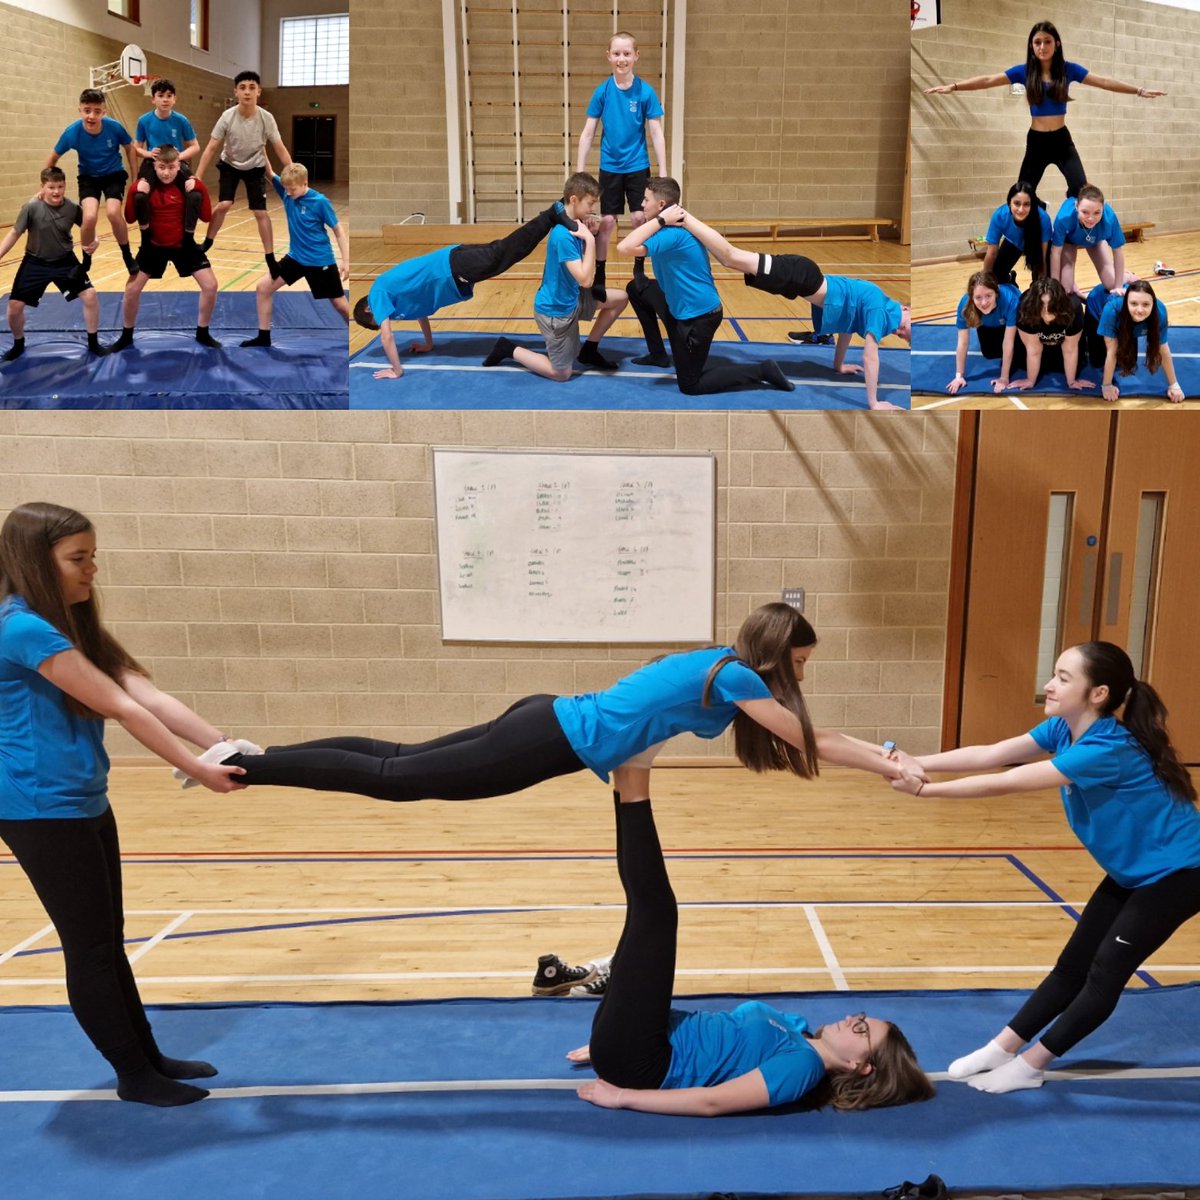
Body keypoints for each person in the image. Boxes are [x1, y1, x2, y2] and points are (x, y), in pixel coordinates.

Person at [177, 603, 929, 803]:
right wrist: (888, 764)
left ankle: (254, 754)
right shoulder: (736, 678)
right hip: (551, 738)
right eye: (798, 663)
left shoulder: (723, 668)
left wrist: (886, 757)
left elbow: (810, 732)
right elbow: (813, 739)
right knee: (396, 780)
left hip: (548, 717)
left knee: (400, 763)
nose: (800, 676)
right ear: (775, 654)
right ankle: (252, 765)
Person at [0, 502, 248, 1106]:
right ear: (37, 563)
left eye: (91, 556)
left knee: (108, 939)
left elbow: (147, 695)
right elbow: (123, 709)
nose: (92, 571)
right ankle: (134, 1076)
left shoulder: (69, 623)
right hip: (38, 807)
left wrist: (223, 744)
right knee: (88, 948)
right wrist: (194, 767)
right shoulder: (21, 628)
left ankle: (147, 1055)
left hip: (80, 798)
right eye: (77, 560)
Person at [892, 642, 1200, 1094]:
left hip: (1180, 875)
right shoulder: (1062, 729)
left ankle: (1032, 1065)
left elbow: (1010, 781)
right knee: (1071, 965)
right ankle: (1001, 1047)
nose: (1048, 685)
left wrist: (926, 793)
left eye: (1062, 677)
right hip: (1133, 873)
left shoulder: (1105, 749)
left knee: (1106, 970)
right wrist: (920, 762)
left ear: (1098, 694)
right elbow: (993, 753)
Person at [569, 787, 934, 1115]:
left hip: (645, 1061)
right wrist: (625, 1024)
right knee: (646, 911)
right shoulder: (797, 1030)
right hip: (640, 1038)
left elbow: (712, 1102)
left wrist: (621, 1096)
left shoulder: (802, 1069)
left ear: (860, 1066)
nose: (852, 1017)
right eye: (861, 1016)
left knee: (656, 913)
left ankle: (631, 777)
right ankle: (627, 777)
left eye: (861, 1029)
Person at [647, 207, 910, 410]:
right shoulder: (880, 308)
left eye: (903, 336)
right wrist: (875, 402)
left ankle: (683, 216)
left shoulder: (880, 307)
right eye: (907, 330)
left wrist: (839, 366)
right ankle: (682, 214)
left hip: (801, 281)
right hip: (801, 276)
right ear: (906, 309)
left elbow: (846, 328)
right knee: (729, 256)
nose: (901, 333)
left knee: (730, 258)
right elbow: (870, 356)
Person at [923, 21, 1164, 199]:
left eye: (1047, 41)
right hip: (1036, 142)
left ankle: (1071, 234)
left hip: (1062, 141)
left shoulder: (1069, 70)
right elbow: (987, 80)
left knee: (1081, 190)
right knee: (1021, 194)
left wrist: (1139, 90)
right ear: (1031, 46)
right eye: (1037, 42)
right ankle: (1032, 231)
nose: (1042, 46)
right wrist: (953, 87)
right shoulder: (1024, 71)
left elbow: (1104, 82)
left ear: (1056, 44)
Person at [352, 200, 580, 380]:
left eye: (380, 319)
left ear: (369, 310)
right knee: (505, 254)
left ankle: (551, 214)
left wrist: (397, 370)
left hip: (452, 266)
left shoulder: (377, 294)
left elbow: (387, 336)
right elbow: (421, 312)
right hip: (455, 271)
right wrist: (428, 344)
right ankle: (553, 214)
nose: (386, 319)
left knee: (505, 254)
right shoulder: (396, 301)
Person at [616, 178, 795, 395]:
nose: (642, 204)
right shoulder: (662, 228)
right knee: (637, 289)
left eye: (646, 200)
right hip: (677, 306)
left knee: (690, 385)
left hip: (699, 318)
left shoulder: (670, 233)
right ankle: (658, 354)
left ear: (661, 206)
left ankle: (762, 370)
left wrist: (660, 221)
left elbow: (624, 247)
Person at [482, 173, 629, 381]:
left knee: (620, 298)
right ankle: (509, 349)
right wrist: (591, 241)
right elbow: (585, 280)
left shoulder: (576, 225)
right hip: (556, 313)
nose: (593, 209)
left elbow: (581, 273)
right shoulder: (563, 235)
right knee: (561, 374)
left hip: (573, 300)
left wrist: (591, 236)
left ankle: (589, 349)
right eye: (590, 203)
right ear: (574, 200)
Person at [576, 30, 666, 300]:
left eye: (627, 53)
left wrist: (662, 171)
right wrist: (580, 170)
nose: (622, 59)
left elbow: (656, 132)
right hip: (610, 167)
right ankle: (600, 275)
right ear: (608, 57)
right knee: (606, 222)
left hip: (638, 166)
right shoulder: (602, 91)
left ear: (636, 56)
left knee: (640, 218)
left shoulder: (645, 92)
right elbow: (588, 132)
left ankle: (639, 270)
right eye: (616, 53)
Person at [108, 147, 220, 352]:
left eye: (171, 167)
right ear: (154, 166)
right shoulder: (148, 188)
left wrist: (199, 187)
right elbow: (130, 217)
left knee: (210, 285)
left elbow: (206, 217)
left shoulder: (185, 186)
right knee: (131, 290)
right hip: (153, 246)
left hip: (183, 245)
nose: (166, 173)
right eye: (161, 167)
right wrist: (134, 189)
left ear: (179, 166)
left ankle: (203, 332)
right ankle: (126, 335)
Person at [0, 168, 105, 363]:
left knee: (90, 296)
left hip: (65, 260)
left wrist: (96, 239)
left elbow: (88, 228)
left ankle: (93, 342)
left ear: (65, 186)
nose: (56, 191)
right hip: (35, 262)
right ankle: (18, 343)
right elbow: (14, 233)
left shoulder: (72, 208)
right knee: (14, 306)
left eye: (60, 187)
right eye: (51, 187)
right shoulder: (31, 208)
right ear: (43, 187)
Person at [241, 163, 350, 346]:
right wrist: (262, 140)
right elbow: (269, 171)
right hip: (295, 259)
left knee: (339, 304)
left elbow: (338, 230)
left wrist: (346, 261)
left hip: (320, 261)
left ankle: (356, 332)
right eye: (286, 189)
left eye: (292, 189)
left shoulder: (320, 201)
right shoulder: (287, 193)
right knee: (263, 288)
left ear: (304, 183)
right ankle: (264, 336)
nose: (288, 193)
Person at [195, 70, 292, 262]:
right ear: (236, 92)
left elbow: (279, 147)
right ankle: (207, 241)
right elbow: (211, 148)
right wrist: (197, 176)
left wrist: (292, 171)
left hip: (255, 166)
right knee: (224, 204)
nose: (247, 92)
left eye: (252, 87)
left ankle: (270, 256)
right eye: (242, 88)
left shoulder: (267, 118)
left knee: (260, 212)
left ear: (259, 92)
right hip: (229, 164)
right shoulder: (227, 117)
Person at [48, 87, 138, 274]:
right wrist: (46, 186)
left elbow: (130, 147)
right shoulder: (72, 133)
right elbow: (52, 159)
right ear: (80, 109)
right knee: (88, 218)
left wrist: (135, 177)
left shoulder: (114, 127)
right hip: (88, 177)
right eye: (87, 110)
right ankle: (86, 259)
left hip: (113, 174)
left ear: (103, 112)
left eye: (97, 112)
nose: (91, 116)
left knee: (113, 213)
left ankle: (127, 255)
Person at [131, 79, 203, 239]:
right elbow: (136, 148)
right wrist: (148, 154)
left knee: (195, 195)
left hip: (175, 163)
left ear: (174, 99)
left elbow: (195, 146)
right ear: (153, 99)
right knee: (140, 195)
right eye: (161, 95)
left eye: (169, 95)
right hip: (153, 162)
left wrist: (179, 157)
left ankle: (188, 236)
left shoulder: (181, 120)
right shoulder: (144, 120)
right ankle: (146, 237)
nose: (165, 99)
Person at [1096, 280, 1184, 404]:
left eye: (1146, 304)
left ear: (1153, 303)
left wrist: (1174, 385)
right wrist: (1106, 385)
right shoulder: (1112, 311)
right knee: (1097, 361)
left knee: (1128, 361)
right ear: (1126, 303)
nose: (1140, 310)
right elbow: (1112, 352)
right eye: (1134, 303)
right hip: (1098, 308)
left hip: (1127, 323)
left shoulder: (1160, 312)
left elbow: (1163, 350)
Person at [946, 270, 1022, 395]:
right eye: (978, 297)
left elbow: (1008, 342)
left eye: (988, 295)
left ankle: (1011, 281)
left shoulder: (1011, 301)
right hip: (989, 321)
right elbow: (962, 343)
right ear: (971, 297)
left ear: (996, 293)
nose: (984, 302)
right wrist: (959, 376)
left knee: (1018, 355)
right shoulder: (965, 305)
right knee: (989, 353)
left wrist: (1004, 377)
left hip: (1008, 318)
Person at [1014, 276, 1093, 392]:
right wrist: (1030, 381)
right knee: (1021, 362)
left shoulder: (1073, 308)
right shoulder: (1025, 309)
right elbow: (1033, 350)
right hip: (1037, 346)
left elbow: (1070, 350)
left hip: (1063, 346)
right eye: (1041, 304)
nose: (1046, 310)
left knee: (1074, 363)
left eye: (1050, 305)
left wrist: (1071, 382)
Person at [1050, 185, 1126, 296]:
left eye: (1096, 213)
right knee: (1065, 288)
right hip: (1069, 241)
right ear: (1076, 206)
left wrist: (1118, 286)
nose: (1090, 218)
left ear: (1103, 208)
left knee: (1111, 283)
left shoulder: (1109, 218)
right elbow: (1055, 252)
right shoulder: (1064, 217)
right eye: (1085, 212)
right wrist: (1054, 286)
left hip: (1096, 241)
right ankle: (1072, 285)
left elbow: (1118, 251)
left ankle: (1128, 276)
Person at [981, 181, 1052, 284]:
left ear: (1032, 205)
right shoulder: (1000, 216)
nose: (1021, 209)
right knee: (996, 277)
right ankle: (1010, 277)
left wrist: (1042, 287)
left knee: (1041, 284)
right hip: (1014, 242)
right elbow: (991, 253)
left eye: (1026, 204)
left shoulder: (1043, 219)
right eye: (1017, 203)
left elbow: (1043, 257)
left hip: (1035, 244)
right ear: (1009, 202)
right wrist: (983, 282)